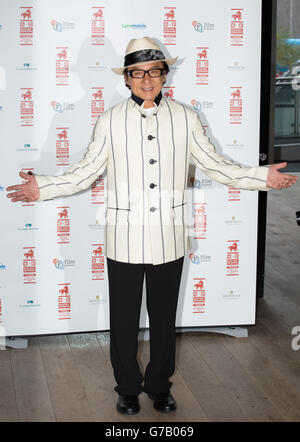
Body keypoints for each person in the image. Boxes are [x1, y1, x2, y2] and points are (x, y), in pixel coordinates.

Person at [6, 37, 298, 415]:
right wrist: (41, 185)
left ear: (165, 75)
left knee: (163, 320)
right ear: (127, 78)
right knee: (124, 321)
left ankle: (160, 386)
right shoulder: (109, 120)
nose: (147, 80)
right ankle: (127, 387)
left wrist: (262, 177)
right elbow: (85, 173)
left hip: (169, 235)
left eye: (154, 71)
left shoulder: (186, 117)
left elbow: (216, 166)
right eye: (138, 73)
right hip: (123, 237)